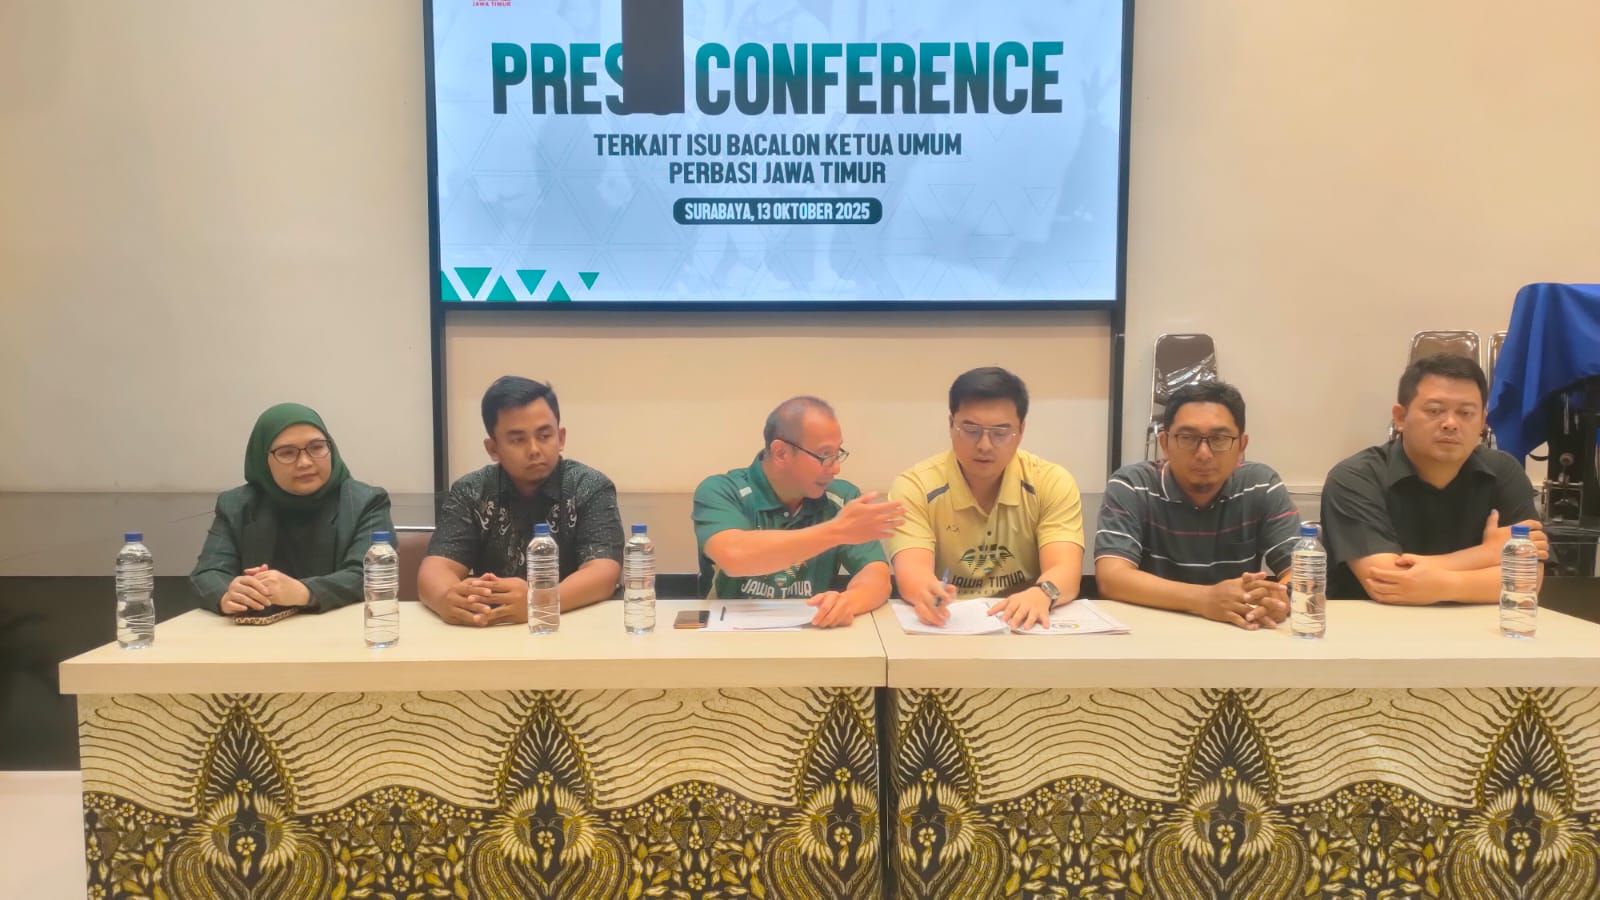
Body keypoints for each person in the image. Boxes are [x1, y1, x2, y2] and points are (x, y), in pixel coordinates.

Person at [1321, 353, 1547, 604]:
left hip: (1479, 623)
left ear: (1483, 422)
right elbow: (1384, 582)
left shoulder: (1504, 471)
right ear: (1400, 417)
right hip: (1376, 624)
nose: (1450, 423)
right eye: (1435, 411)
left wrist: (1442, 585)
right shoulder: (1355, 477)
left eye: (1466, 413)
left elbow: (1527, 580)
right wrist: (1486, 555)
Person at [889, 367, 1085, 631]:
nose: (984, 445)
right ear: (951, 425)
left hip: (1023, 623)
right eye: (971, 430)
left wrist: (1042, 593)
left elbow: (1066, 569)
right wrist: (926, 593)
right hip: (947, 625)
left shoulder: (1051, 482)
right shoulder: (916, 486)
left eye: (1000, 433)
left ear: (1021, 430)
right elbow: (912, 570)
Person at [420, 377, 623, 627]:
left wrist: (540, 601)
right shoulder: (471, 491)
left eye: (544, 435)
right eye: (518, 440)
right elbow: (436, 568)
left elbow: (603, 572)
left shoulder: (589, 486)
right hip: (496, 630)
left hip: (577, 625)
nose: (534, 449)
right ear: (493, 448)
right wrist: (447, 599)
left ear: (561, 438)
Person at [1094, 381, 1297, 629]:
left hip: (1238, 632)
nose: (1203, 453)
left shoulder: (1261, 485)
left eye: (1219, 439)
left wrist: (1281, 597)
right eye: (1187, 438)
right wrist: (1204, 599)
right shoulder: (1132, 486)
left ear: (1241, 446)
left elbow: (1302, 568)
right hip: (1151, 631)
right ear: (1164, 443)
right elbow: (1111, 578)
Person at [693, 396, 900, 627]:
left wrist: (848, 602)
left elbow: (876, 575)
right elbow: (734, 557)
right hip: (728, 633)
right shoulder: (722, 491)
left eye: (837, 453)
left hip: (812, 630)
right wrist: (836, 531)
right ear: (781, 453)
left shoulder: (841, 497)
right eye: (824, 455)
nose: (836, 467)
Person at [192, 403, 394, 619]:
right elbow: (208, 572)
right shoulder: (237, 505)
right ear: (262, 459)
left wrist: (303, 592)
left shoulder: (365, 501)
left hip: (339, 629)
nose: (305, 462)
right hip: (256, 635)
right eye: (287, 453)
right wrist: (229, 594)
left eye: (317, 448)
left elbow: (369, 575)